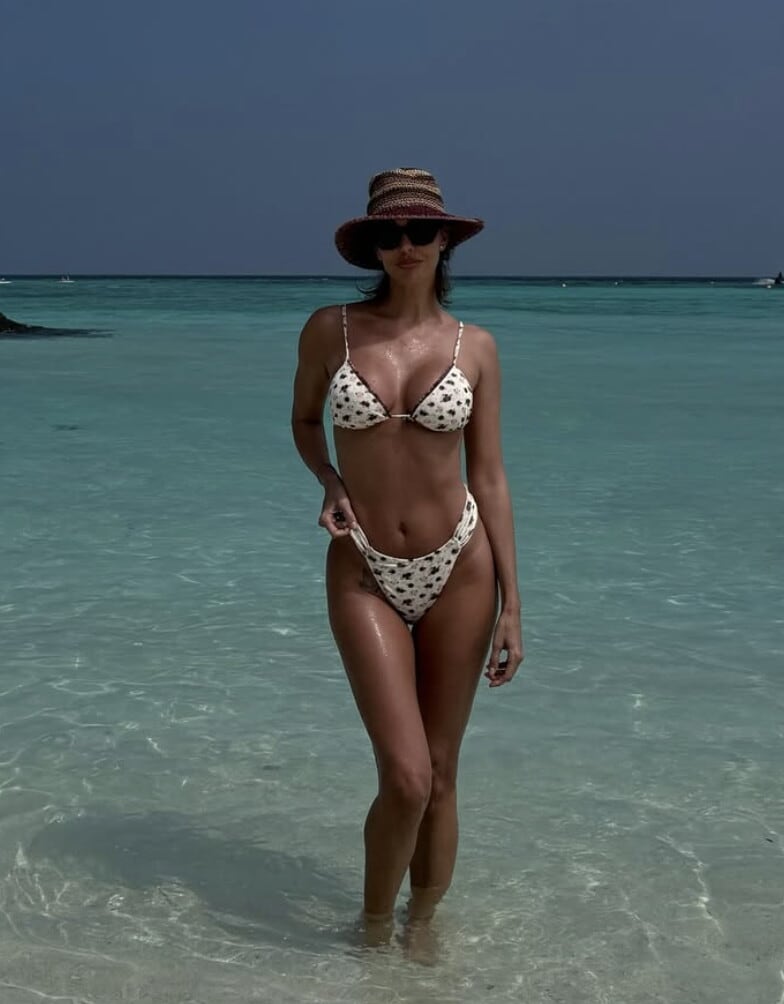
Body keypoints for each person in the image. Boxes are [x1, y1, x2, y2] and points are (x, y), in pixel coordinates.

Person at [291, 168, 524, 939]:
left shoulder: (476, 347)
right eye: (388, 234)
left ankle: (422, 935)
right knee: (405, 775)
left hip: (462, 565)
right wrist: (329, 480)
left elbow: (490, 475)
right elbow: (303, 421)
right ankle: (370, 930)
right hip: (363, 566)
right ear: (372, 247)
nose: (406, 246)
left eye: (421, 231)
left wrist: (514, 606)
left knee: (443, 773)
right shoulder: (331, 330)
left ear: (444, 240)